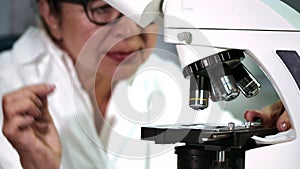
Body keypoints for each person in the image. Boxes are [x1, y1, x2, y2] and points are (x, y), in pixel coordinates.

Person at [0, 0, 291, 169]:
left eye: (147, 16)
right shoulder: (7, 83)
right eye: (102, 9)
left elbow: (229, 140)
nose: (130, 32)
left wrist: (283, 130)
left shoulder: (161, 76)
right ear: (51, 13)